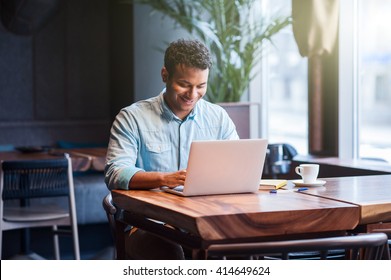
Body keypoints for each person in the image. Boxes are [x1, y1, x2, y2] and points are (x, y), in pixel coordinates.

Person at [104, 38, 239, 259]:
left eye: (201, 86)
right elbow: (115, 172)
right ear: (165, 75)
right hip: (147, 224)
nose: (192, 94)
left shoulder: (218, 118)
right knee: (171, 254)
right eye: (185, 84)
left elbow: (237, 167)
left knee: (246, 250)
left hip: (206, 220)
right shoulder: (132, 118)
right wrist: (165, 179)